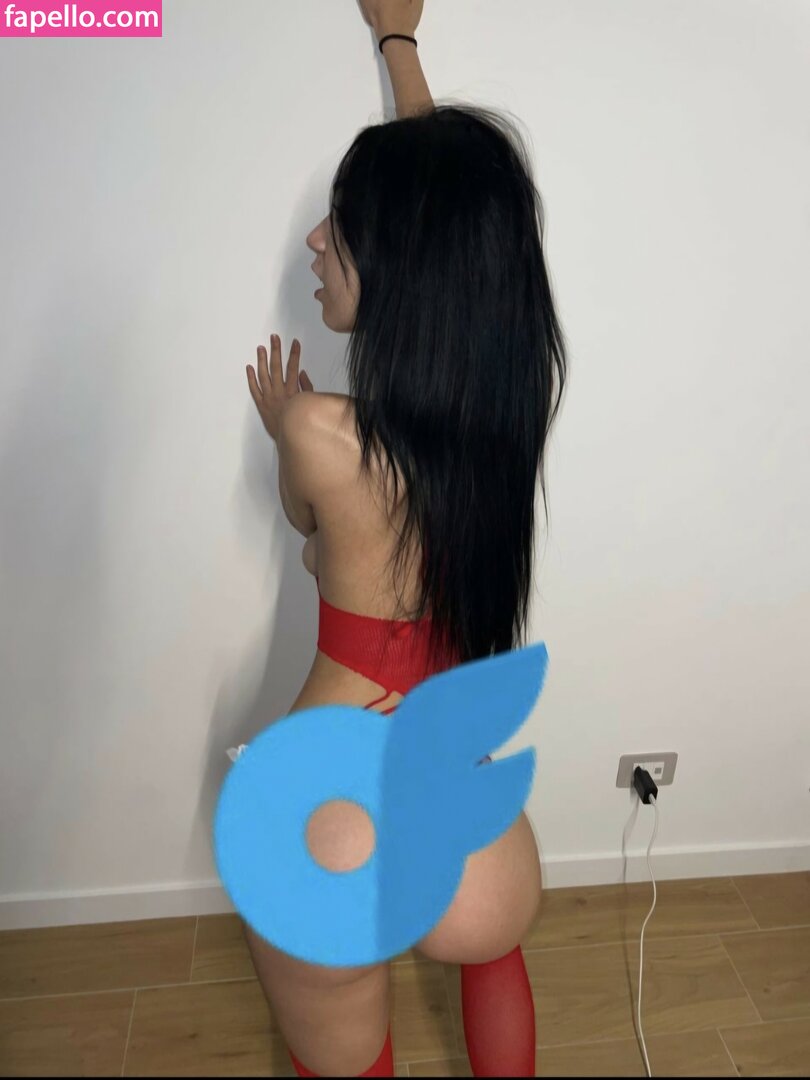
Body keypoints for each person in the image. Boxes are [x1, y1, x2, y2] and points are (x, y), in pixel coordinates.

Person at [242, 1, 569, 1074]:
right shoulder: (503, 419)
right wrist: (401, 46)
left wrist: (282, 432)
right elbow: (453, 220)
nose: (317, 242)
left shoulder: (317, 433)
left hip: (328, 798)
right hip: (462, 791)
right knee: (492, 952)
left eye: (341, 226)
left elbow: (306, 529)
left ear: (397, 260)